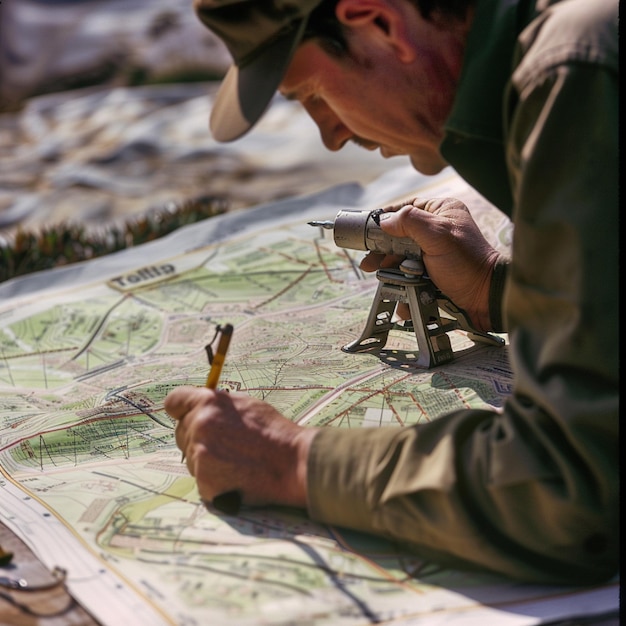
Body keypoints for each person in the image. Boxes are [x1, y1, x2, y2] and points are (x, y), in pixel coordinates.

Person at [165, 0, 618, 584]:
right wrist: (492, 289)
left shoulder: (570, 72)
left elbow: (567, 494)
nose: (329, 137)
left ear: (379, 23)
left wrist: (291, 461)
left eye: (310, 94)